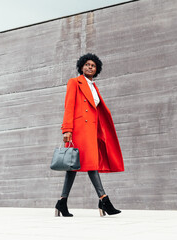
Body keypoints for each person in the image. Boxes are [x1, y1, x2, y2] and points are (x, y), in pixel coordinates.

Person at [55, 53, 124, 217]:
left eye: (93, 65)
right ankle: (104, 200)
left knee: (73, 167)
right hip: (79, 130)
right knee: (90, 164)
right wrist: (67, 129)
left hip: (92, 130)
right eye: (87, 64)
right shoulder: (74, 82)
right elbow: (69, 106)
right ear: (81, 66)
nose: (90, 67)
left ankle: (62, 202)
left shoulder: (94, 87)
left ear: (96, 69)